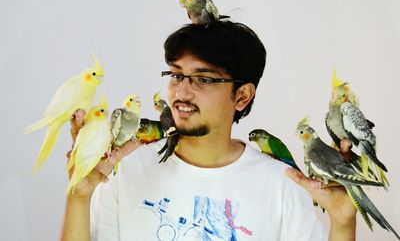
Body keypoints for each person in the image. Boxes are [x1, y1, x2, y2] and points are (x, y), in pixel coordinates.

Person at [61, 21, 356, 241]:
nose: (181, 92)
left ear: (242, 96)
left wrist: (343, 224)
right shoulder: (122, 171)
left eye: (202, 79)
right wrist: (79, 195)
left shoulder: (283, 184)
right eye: (176, 75)